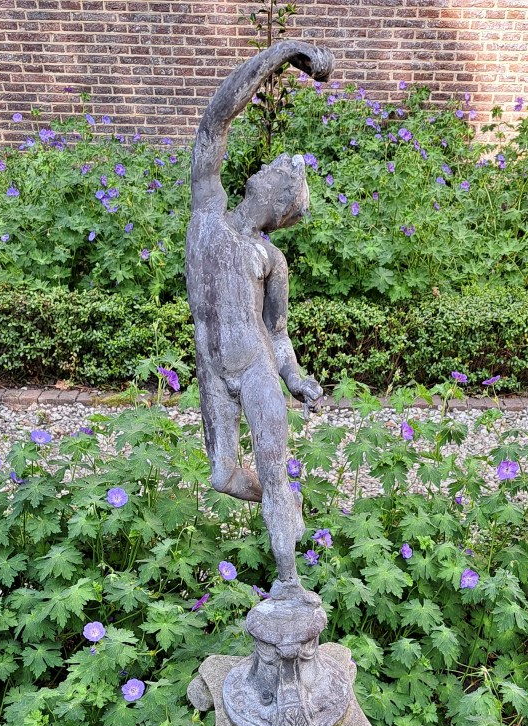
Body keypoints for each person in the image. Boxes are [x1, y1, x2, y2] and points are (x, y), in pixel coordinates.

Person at [185, 41, 333, 598]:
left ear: (280, 203)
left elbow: (278, 332)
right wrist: (283, 54)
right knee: (223, 475)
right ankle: (284, 502)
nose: (266, 167)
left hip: (256, 371)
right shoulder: (207, 214)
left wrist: (294, 378)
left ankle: (289, 582)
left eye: (276, 174)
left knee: (272, 468)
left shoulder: (271, 258)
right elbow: (215, 121)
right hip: (212, 371)